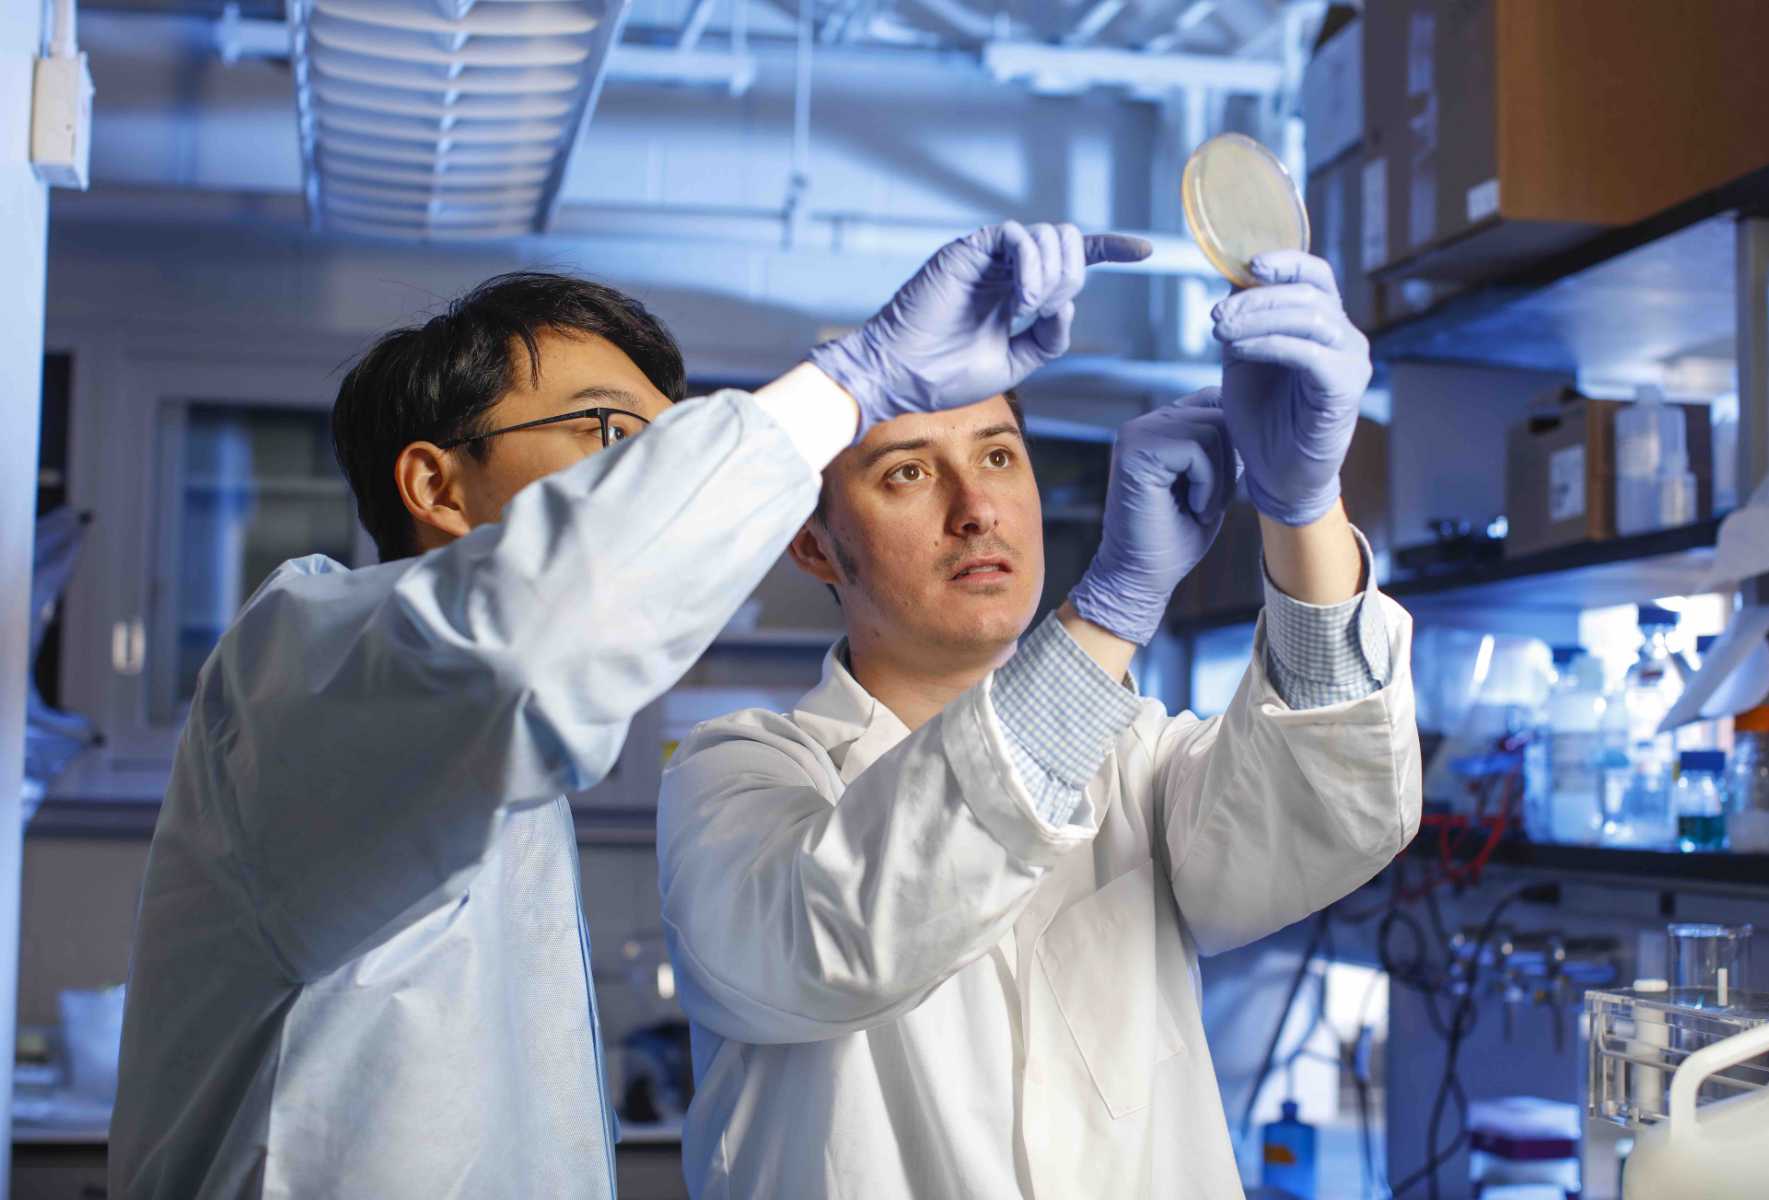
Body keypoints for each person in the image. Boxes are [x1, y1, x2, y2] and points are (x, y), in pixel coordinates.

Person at [108, 222, 1150, 1199]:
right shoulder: (303, 662)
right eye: (612, 434)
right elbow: (531, 638)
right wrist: (850, 383)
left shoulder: (485, 774)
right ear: (436, 484)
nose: (651, 484)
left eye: (666, 447)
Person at [657, 250, 1421, 1198]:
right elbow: (836, 938)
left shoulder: (1136, 758)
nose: (976, 509)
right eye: (905, 474)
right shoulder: (738, 777)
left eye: (996, 456)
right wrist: (1112, 609)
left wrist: (1303, 509)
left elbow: (1330, 816)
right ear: (816, 543)